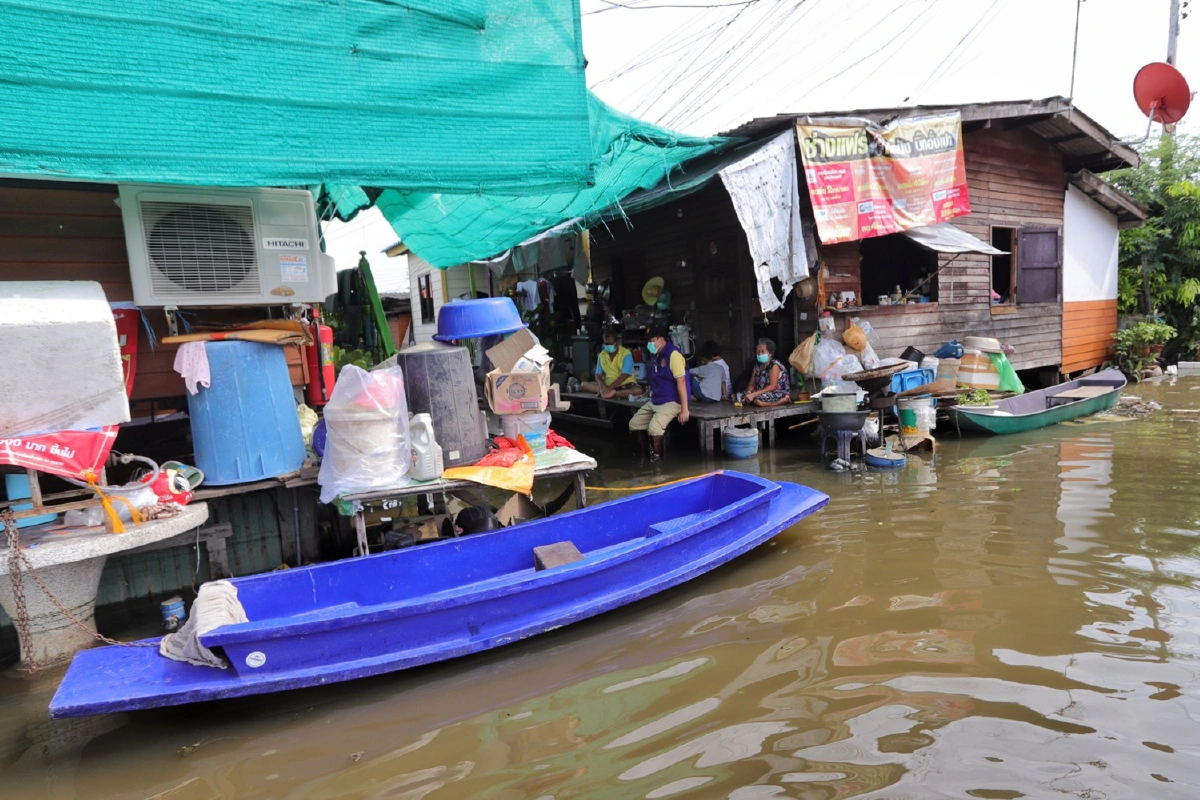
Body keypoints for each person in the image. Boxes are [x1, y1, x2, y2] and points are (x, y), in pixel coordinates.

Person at [629, 326, 690, 462]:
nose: (649, 344)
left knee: (654, 428)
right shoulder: (657, 354)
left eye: (652, 341)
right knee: (635, 423)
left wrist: (684, 409)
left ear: (661, 340)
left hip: (672, 401)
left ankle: (657, 464)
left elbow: (681, 383)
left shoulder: (673, 354)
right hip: (656, 400)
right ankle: (642, 460)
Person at [580, 330, 643, 399]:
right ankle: (607, 392)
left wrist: (610, 387)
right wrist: (602, 384)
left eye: (610, 343)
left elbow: (625, 375)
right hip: (607, 385)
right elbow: (598, 374)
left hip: (625, 385)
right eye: (605, 344)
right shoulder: (602, 355)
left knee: (638, 390)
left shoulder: (626, 353)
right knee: (584, 384)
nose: (607, 346)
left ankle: (613, 393)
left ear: (617, 342)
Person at [744, 338, 791, 407]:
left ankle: (783, 400)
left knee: (757, 399)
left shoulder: (775, 365)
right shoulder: (757, 366)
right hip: (760, 392)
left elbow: (773, 386)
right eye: (758, 352)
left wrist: (754, 394)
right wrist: (749, 392)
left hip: (776, 392)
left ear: (770, 353)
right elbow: (751, 384)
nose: (760, 354)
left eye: (763, 351)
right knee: (738, 397)